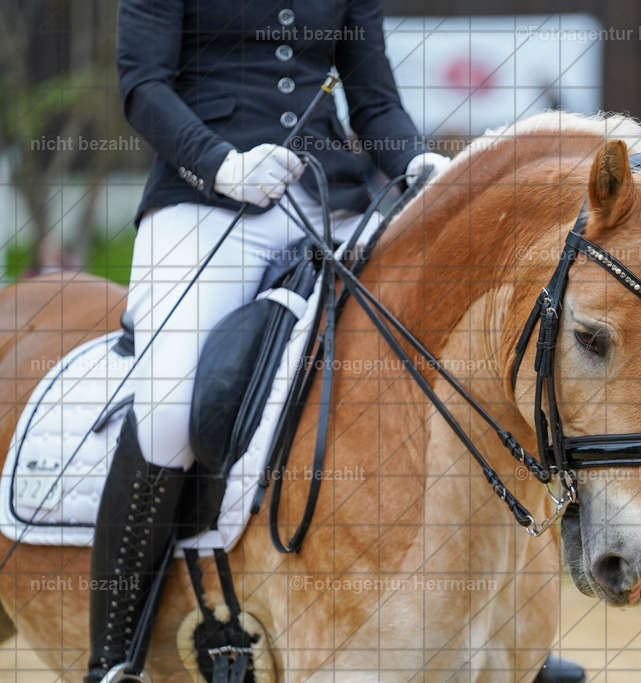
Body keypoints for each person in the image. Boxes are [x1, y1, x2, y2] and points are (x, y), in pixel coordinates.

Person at [86, 2, 452, 680]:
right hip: (205, 198)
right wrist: (221, 164)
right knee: (169, 409)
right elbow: (143, 85)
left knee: (433, 368)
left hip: (329, 199)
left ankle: (495, 625)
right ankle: (112, 657)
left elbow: (374, 102)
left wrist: (420, 164)